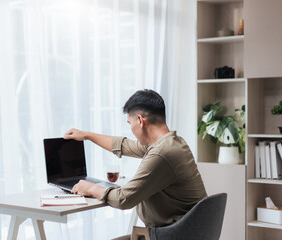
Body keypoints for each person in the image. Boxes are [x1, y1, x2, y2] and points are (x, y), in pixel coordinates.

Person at [63, 89, 207, 235]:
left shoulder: (161, 153)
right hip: (190, 231)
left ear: (140, 120)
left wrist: (90, 188)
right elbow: (124, 145)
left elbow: (123, 199)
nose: (131, 128)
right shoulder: (173, 143)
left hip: (174, 235)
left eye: (130, 123)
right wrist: (87, 135)